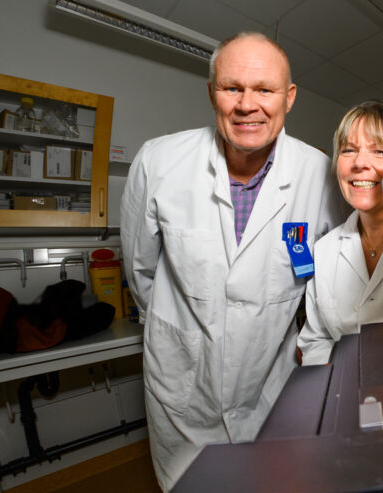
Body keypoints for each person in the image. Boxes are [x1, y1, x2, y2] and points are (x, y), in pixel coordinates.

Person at [120, 32, 346, 491]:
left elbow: (322, 278)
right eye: (232, 88)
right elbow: (141, 272)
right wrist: (188, 326)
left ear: (289, 98)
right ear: (211, 93)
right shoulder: (158, 162)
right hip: (183, 383)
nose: (248, 105)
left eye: (264, 89)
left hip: (270, 381)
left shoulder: (318, 174)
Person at [298, 101, 383, 366]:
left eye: (378, 151)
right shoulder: (325, 249)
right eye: (348, 150)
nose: (360, 163)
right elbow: (315, 340)